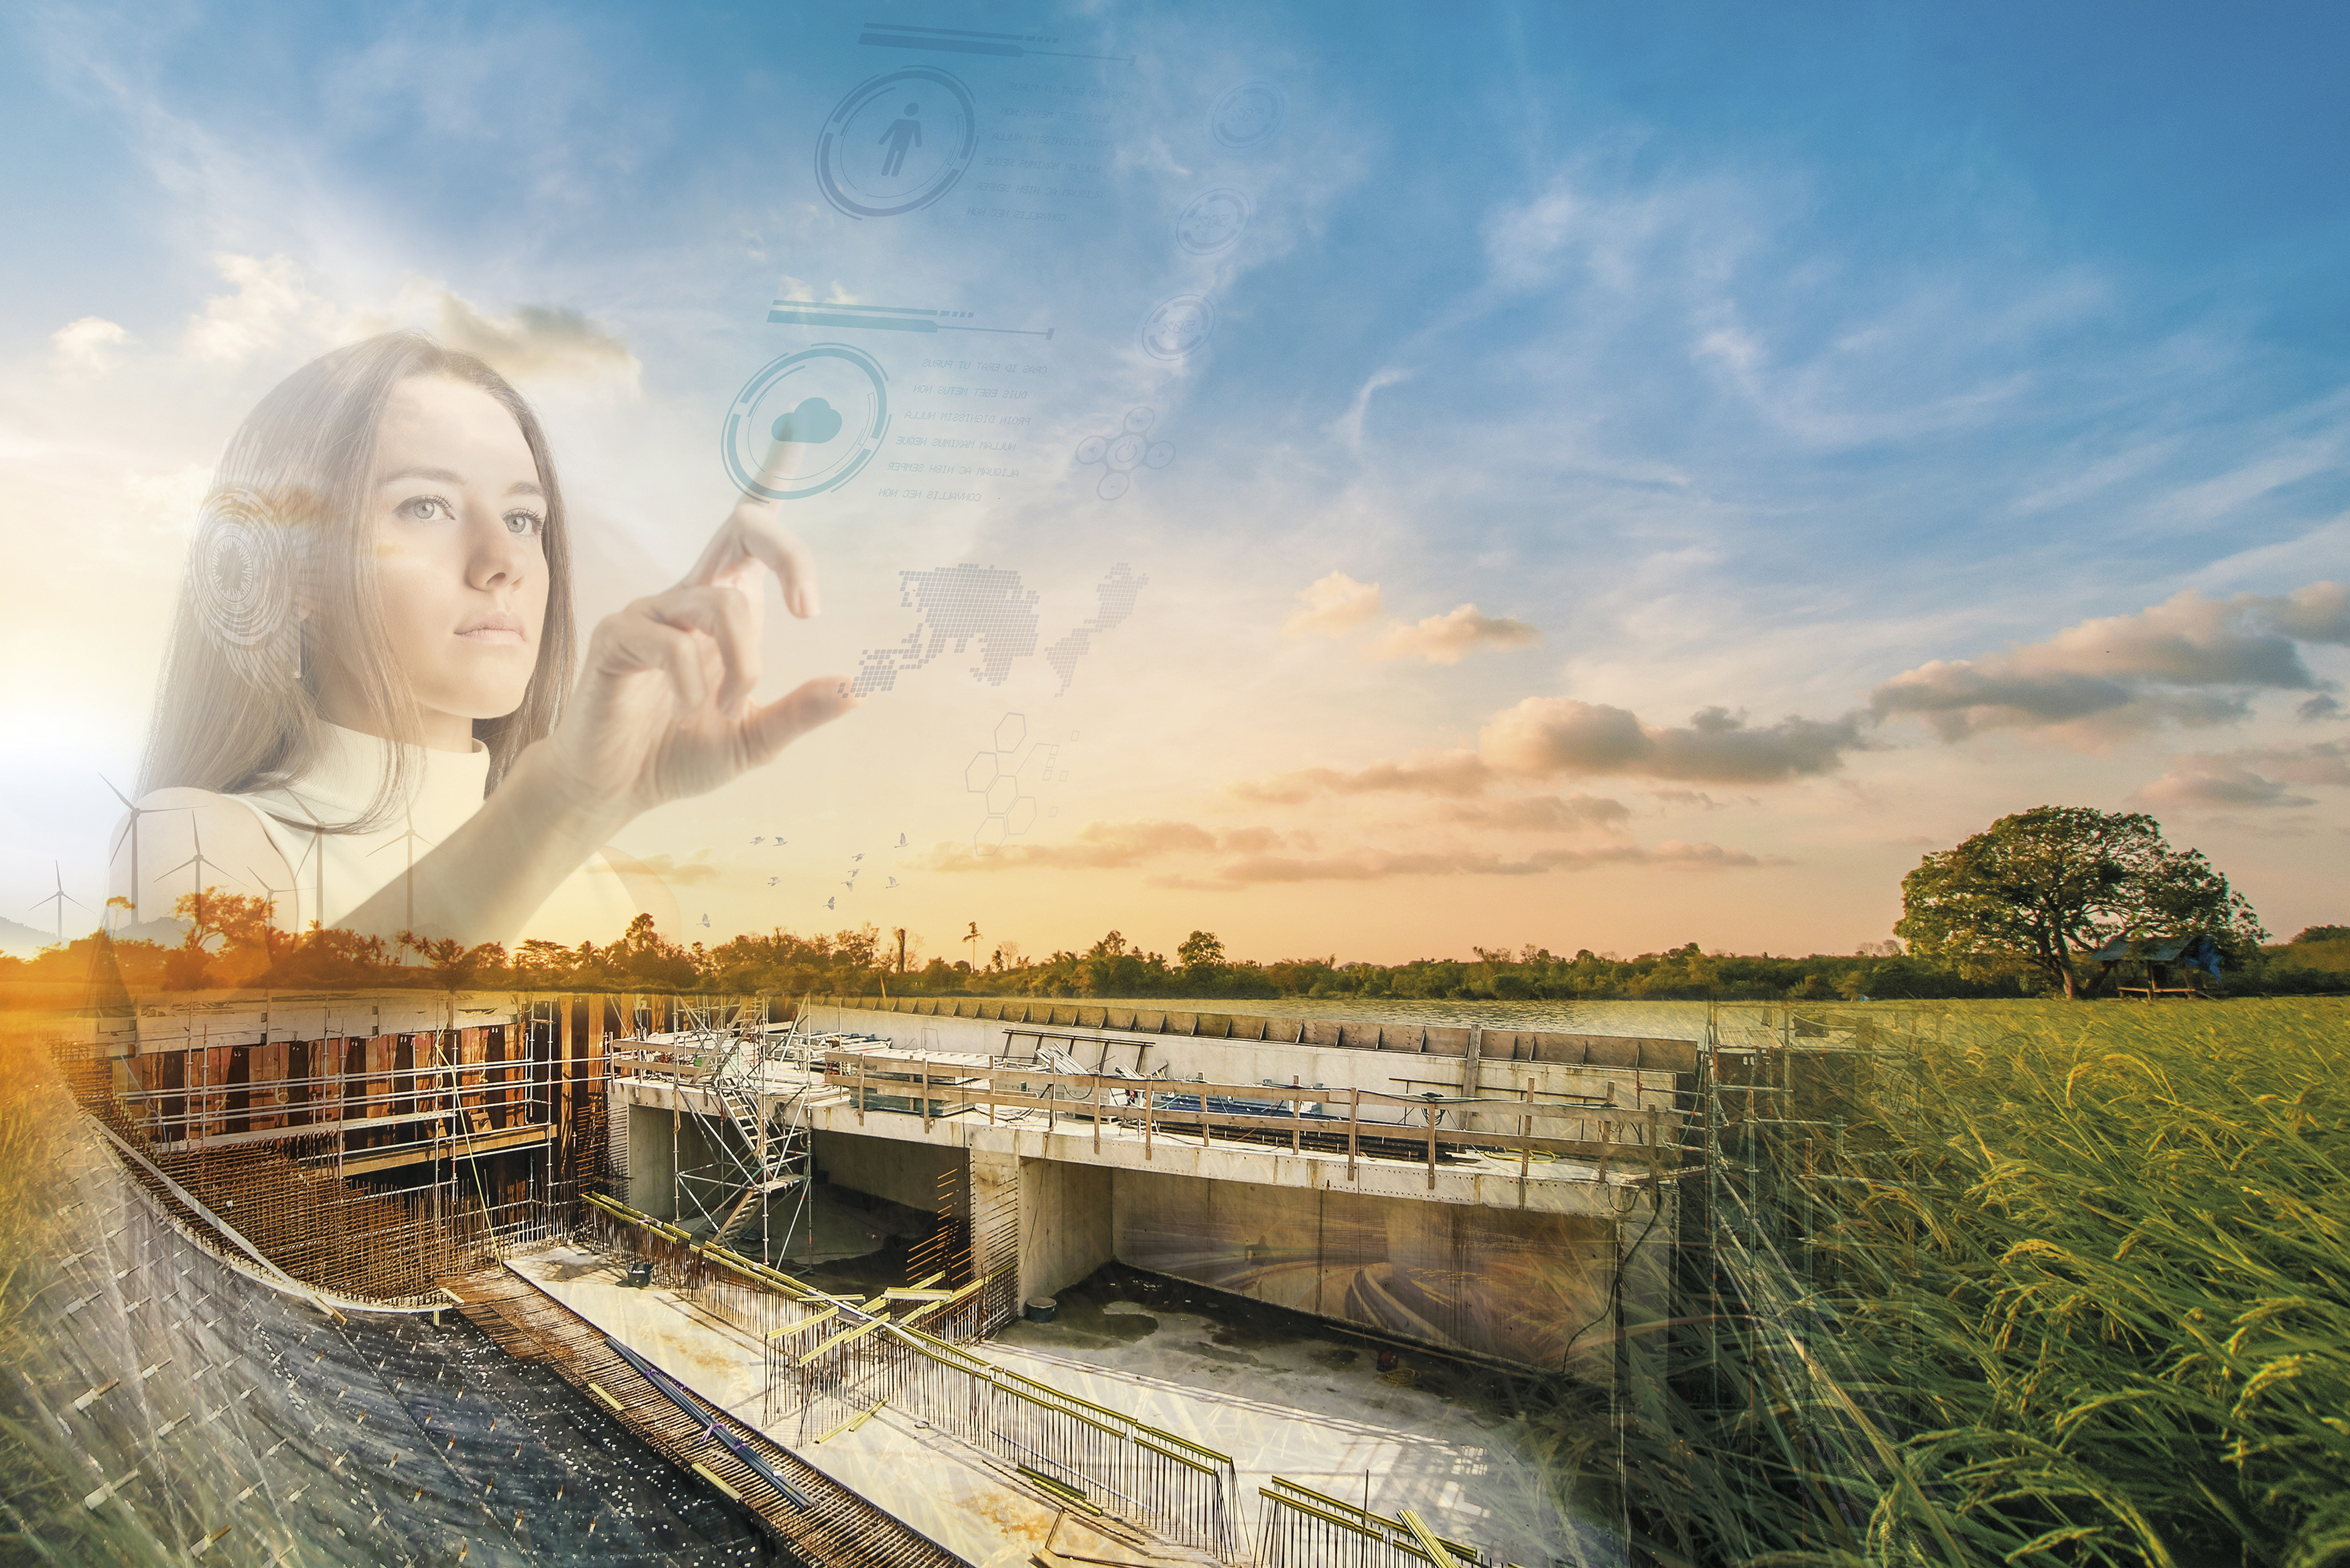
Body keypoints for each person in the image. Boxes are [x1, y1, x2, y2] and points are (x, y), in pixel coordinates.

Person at [111, 332, 853, 950]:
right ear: (292, 568)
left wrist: (577, 806)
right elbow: (260, 1099)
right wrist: (562, 799)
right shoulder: (191, 841)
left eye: (524, 518)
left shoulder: (626, 894)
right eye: (425, 506)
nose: (503, 561)